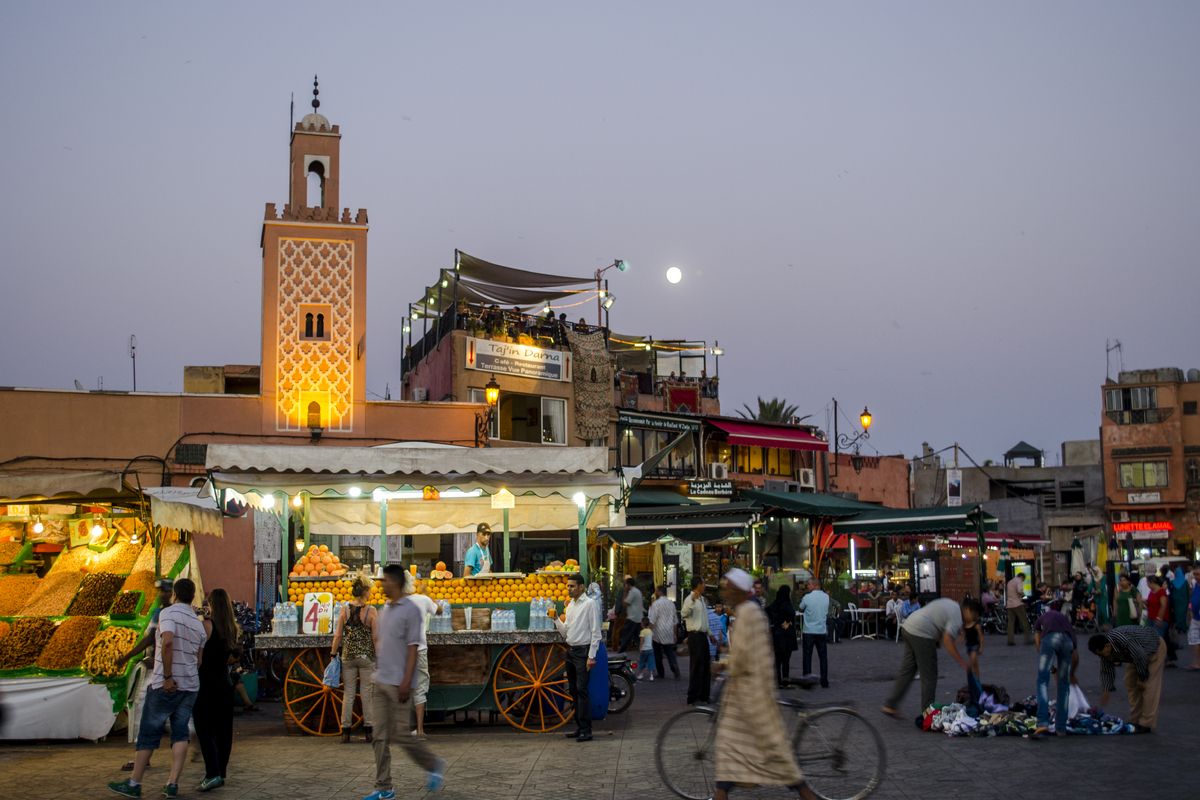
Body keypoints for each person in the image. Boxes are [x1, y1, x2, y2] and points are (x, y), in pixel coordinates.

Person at [711, 569, 818, 800]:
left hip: (751, 698)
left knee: (770, 750)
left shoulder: (748, 613)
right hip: (746, 697)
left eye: (728, 587)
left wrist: (721, 665)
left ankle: (805, 791)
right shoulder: (749, 610)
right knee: (734, 753)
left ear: (738, 590)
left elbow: (741, 658)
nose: (725, 592)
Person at [108, 578, 207, 799]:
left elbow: (168, 642)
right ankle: (172, 783)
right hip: (190, 686)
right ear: (192, 596)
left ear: (175, 595)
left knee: (149, 732)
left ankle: (134, 783)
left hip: (166, 684)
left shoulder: (167, 614)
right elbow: (199, 660)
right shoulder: (197, 622)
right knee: (180, 733)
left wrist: (169, 676)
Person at [365, 565, 445, 800]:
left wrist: (406, 681)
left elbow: (412, 648)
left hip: (400, 682)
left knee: (400, 735)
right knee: (379, 736)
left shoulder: (411, 610)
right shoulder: (385, 609)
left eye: (386, 580)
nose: (382, 584)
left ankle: (433, 764)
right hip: (381, 680)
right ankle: (384, 787)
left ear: (397, 583)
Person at [881, 597, 975, 719]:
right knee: (929, 674)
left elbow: (937, 620)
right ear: (967, 610)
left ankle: (890, 704)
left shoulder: (951, 603)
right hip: (922, 633)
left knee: (908, 670)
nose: (973, 620)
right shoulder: (957, 615)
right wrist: (962, 662)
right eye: (974, 615)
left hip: (909, 626)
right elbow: (947, 640)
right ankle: (927, 713)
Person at [116, 579, 176, 772]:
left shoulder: (170, 613)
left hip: (162, 671)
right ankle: (144, 756)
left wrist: (127, 657)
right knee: (150, 714)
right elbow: (150, 638)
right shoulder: (159, 612)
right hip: (160, 669)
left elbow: (154, 639)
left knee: (146, 712)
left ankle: (145, 757)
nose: (162, 595)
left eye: (165, 591)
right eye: (160, 592)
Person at [193, 588, 240, 791]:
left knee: (204, 729)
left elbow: (198, 655)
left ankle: (212, 773)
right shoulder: (232, 628)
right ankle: (221, 771)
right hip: (224, 682)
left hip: (205, 683)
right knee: (223, 731)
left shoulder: (207, 625)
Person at [1088, 624, 1167, 733]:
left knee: (1149, 686)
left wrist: (1141, 678)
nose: (1101, 656)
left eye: (1101, 653)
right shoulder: (1104, 651)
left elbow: (1140, 657)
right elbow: (1106, 670)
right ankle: (1135, 719)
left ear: (1107, 646)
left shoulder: (1122, 639)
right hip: (1135, 654)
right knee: (1130, 682)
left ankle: (1146, 724)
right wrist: (1107, 689)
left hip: (1154, 648)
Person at [554, 572, 601, 741]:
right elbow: (565, 632)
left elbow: (596, 633)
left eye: (572, 586)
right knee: (573, 691)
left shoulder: (590, 604)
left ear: (581, 587)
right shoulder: (570, 606)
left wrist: (591, 656)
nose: (569, 589)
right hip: (571, 651)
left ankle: (586, 730)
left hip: (583, 653)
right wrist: (555, 619)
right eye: (568, 586)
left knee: (582, 691)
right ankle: (579, 726)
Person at [331, 577, 377, 743]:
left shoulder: (344, 610)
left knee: (348, 693)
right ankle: (369, 731)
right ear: (365, 592)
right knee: (367, 694)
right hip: (366, 658)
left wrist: (333, 653)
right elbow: (376, 638)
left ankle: (345, 731)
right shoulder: (371, 611)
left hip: (348, 657)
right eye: (370, 589)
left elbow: (337, 636)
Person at [402, 574, 442, 740]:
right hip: (419, 649)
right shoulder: (422, 599)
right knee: (420, 688)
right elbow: (439, 611)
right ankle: (419, 730)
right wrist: (427, 593)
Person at [1031, 600, 1077, 738]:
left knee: (1042, 681)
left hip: (1050, 639)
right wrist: (1072, 673)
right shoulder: (1065, 620)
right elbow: (1075, 653)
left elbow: (1037, 636)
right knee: (1064, 685)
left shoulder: (1045, 616)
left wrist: (1040, 650)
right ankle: (1061, 728)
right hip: (1068, 642)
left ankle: (1043, 723)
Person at [681, 577, 714, 705]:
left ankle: (704, 695)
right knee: (696, 665)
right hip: (694, 636)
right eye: (703, 583)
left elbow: (704, 619)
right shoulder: (690, 599)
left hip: (703, 635)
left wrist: (710, 634)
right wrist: (692, 602)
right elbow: (684, 614)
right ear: (698, 585)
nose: (705, 585)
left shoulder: (702, 600)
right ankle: (692, 696)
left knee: (706, 666)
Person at [798, 579, 829, 688]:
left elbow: (801, 608)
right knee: (823, 657)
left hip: (809, 630)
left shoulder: (807, 597)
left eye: (809, 585)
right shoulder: (826, 597)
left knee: (807, 657)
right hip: (821, 630)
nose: (807, 586)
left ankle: (807, 681)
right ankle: (824, 680)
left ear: (815, 585)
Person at [765, 585, 797, 687]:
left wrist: (775, 622)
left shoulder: (775, 604)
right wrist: (787, 622)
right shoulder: (787, 605)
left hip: (777, 635)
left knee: (777, 660)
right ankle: (785, 681)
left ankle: (777, 681)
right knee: (786, 660)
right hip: (787, 636)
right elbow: (791, 615)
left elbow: (767, 611)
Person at [648, 585, 681, 680]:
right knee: (669, 651)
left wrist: (648, 630)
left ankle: (661, 673)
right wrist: (675, 633)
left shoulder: (656, 604)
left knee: (657, 653)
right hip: (669, 630)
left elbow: (652, 620)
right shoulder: (671, 603)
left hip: (658, 631)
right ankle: (674, 666)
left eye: (656, 591)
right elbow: (675, 621)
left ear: (659, 592)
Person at [1145, 575, 1178, 665]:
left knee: (1157, 639)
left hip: (1159, 619)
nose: (1147, 585)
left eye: (1147, 582)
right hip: (1151, 618)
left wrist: (1159, 618)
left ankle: (1157, 658)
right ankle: (1166, 657)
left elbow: (1163, 605)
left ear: (1152, 582)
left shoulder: (1161, 592)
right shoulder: (1151, 592)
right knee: (1158, 638)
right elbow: (1150, 603)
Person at [962, 602, 984, 703]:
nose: (965, 615)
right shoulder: (965, 625)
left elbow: (981, 637)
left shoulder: (976, 625)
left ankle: (976, 679)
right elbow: (963, 635)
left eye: (967, 613)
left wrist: (981, 647)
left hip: (975, 646)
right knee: (975, 664)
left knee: (972, 662)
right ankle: (976, 679)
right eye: (964, 613)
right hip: (969, 646)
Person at [618, 576, 644, 655]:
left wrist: (625, 592)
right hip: (638, 617)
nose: (624, 586)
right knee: (637, 635)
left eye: (625, 584)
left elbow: (625, 603)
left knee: (626, 634)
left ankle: (622, 650)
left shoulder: (632, 592)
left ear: (628, 584)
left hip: (632, 617)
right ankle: (644, 649)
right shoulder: (637, 591)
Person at [1006, 572, 1033, 646]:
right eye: (1024, 579)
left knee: (1011, 623)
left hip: (1009, 604)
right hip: (1017, 604)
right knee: (1024, 621)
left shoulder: (1010, 582)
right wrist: (1024, 596)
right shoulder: (1019, 580)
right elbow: (1020, 590)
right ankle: (1028, 639)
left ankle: (1010, 640)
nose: (1023, 581)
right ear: (1022, 577)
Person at [1187, 564, 1200, 671]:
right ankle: (1196, 663)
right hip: (1195, 618)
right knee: (1194, 640)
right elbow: (1192, 599)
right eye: (1195, 574)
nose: (1196, 576)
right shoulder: (1196, 584)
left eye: (1198, 574)